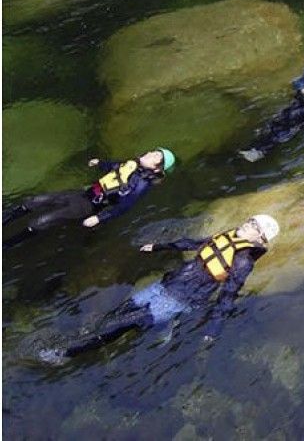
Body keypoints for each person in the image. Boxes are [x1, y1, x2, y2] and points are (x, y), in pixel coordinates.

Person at [39, 215, 280, 363]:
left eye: (253, 227)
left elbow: (228, 296)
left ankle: (68, 354)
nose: (247, 226)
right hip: (165, 284)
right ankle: (103, 335)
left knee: (123, 324)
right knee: (122, 309)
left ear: (259, 239)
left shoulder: (243, 262)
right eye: (250, 221)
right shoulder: (226, 237)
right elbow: (190, 243)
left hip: (180, 300)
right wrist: (158, 247)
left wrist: (213, 329)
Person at [3, 147, 176, 248]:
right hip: (84, 193)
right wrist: (100, 163)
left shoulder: (141, 184)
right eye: (154, 151)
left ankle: (7, 245)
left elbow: (124, 207)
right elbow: (115, 166)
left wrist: (98, 218)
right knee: (33, 201)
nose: (151, 154)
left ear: (157, 169)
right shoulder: (133, 164)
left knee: (39, 222)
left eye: (156, 157)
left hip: (90, 205)